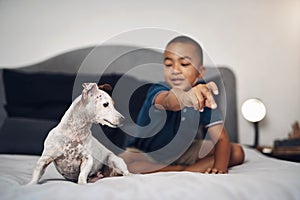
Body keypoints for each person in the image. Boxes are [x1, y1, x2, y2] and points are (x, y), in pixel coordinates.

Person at [119, 35, 244, 174]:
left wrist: (220, 168)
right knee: (124, 164)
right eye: (168, 64)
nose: (175, 70)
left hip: (184, 150)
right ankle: (180, 170)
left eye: (184, 64)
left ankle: (185, 170)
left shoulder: (204, 95)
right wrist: (186, 98)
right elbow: (169, 101)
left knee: (237, 152)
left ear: (200, 72)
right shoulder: (158, 90)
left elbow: (221, 138)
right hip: (146, 153)